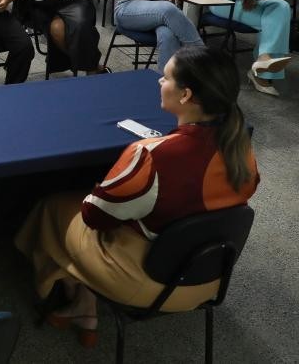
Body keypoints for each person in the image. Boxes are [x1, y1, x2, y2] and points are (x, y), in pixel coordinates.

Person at [15, 46, 259, 347]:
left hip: (150, 283)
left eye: (166, 77)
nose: (159, 82)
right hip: (208, 279)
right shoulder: (242, 150)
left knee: (54, 208)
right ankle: (83, 303)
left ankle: (67, 291)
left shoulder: (151, 154)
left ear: (186, 96)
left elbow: (95, 218)